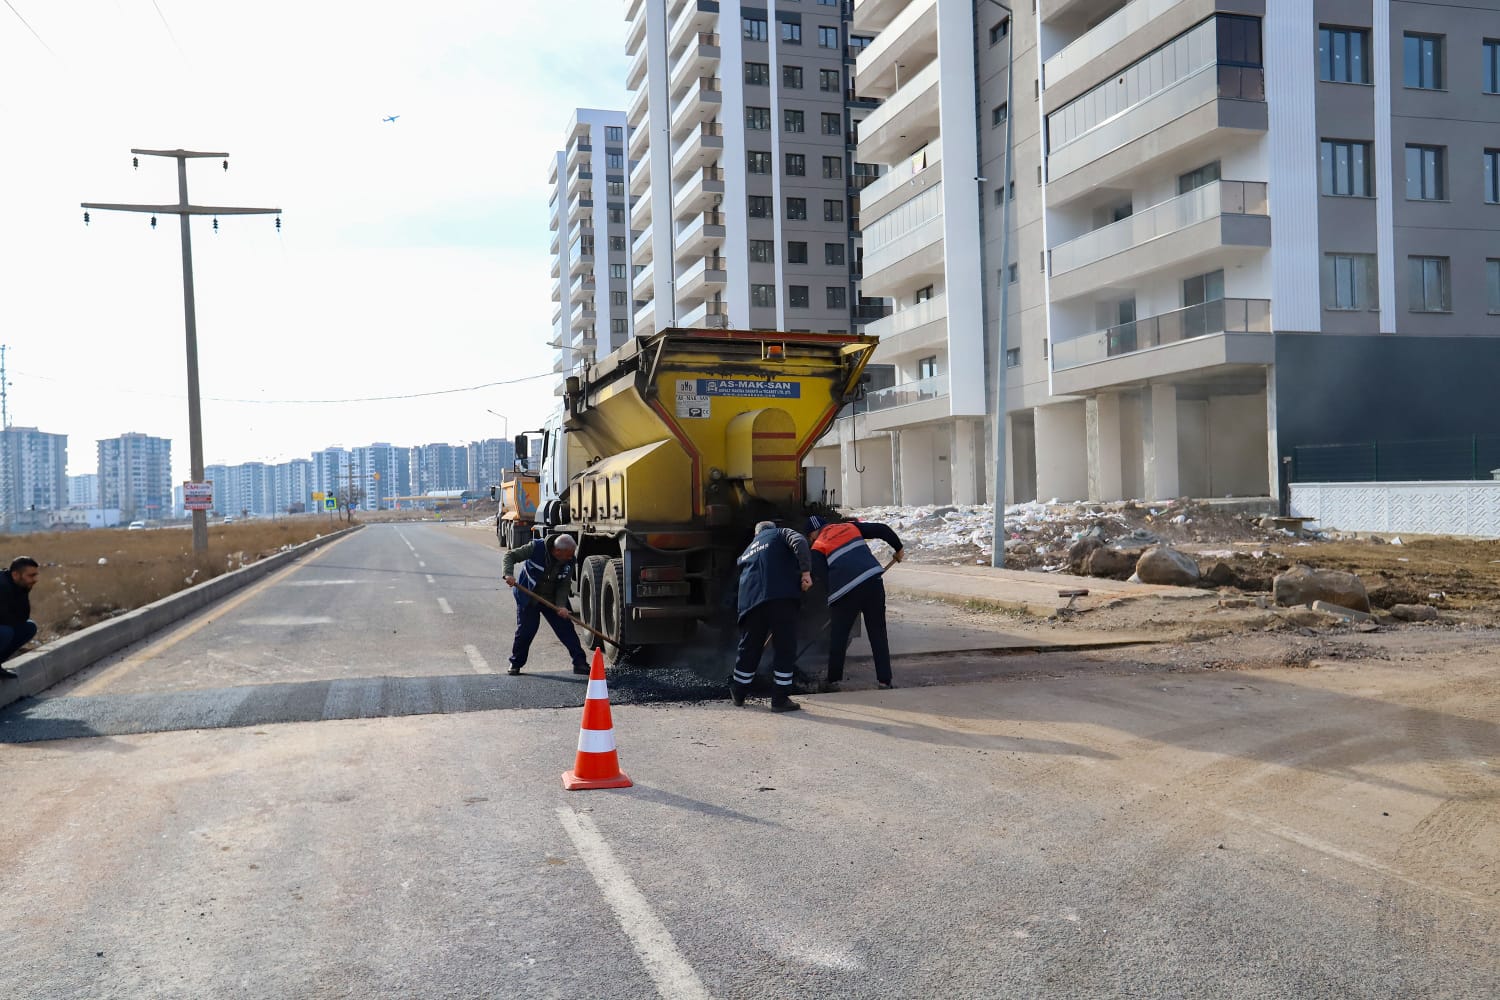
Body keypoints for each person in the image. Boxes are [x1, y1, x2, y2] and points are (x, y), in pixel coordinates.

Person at [807, 515, 904, 692]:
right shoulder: (849, 527)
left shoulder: (817, 547)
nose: (810, 539)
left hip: (845, 592)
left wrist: (835, 601)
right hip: (872, 581)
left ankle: (833, 681)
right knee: (878, 632)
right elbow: (882, 529)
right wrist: (898, 548)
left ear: (813, 534)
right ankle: (885, 680)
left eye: (809, 536)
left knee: (838, 636)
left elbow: (824, 578)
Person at [730, 520, 813, 713]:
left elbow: (739, 583)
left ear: (756, 535)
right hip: (780, 598)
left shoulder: (747, 551)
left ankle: (739, 691)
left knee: (749, 647)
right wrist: (805, 572)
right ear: (771, 529)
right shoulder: (780, 533)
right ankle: (780, 699)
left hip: (750, 603)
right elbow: (799, 541)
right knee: (785, 647)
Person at [502, 533, 589, 676]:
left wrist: (561, 605)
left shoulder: (569, 559)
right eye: (568, 555)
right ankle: (516, 663)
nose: (570, 558)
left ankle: (580, 663)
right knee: (526, 631)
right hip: (529, 597)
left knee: (567, 630)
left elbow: (564, 584)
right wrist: (508, 574)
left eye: (571, 555)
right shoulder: (536, 548)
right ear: (557, 551)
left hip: (552, 599)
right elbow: (510, 556)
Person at [0, 556, 40, 680]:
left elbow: (23, 617)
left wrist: (24, 591)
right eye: (31, 576)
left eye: (35, 575)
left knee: (28, 627)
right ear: (16, 575)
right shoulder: (2, 585)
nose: (35, 580)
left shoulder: (18, 586)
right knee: (5, 632)